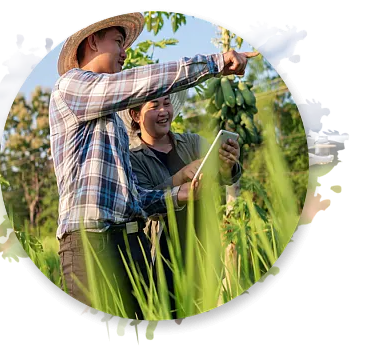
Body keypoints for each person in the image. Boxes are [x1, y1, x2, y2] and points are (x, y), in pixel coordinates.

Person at [49, 11, 259, 320]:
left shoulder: (115, 126)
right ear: (92, 41)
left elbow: (132, 200)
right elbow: (143, 82)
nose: (124, 52)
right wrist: (214, 63)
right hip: (89, 244)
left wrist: (178, 195)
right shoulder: (72, 86)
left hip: (128, 245)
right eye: (118, 42)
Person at [118, 91, 241, 316]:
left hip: (205, 248)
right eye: (154, 106)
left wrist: (227, 164)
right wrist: (180, 176)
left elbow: (226, 177)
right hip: (162, 259)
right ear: (136, 115)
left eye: (167, 104)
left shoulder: (192, 142)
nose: (163, 111)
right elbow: (141, 201)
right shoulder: (132, 158)